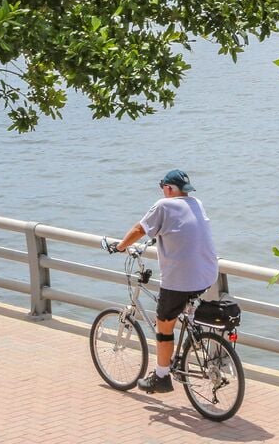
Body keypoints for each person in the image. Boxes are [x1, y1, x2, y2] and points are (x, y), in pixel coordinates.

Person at [102, 168, 219, 393]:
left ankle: (162, 376)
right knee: (181, 309)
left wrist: (120, 246)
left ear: (168, 188)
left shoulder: (163, 206)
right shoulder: (196, 203)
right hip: (207, 275)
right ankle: (187, 343)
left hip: (181, 279)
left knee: (164, 326)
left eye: (162, 187)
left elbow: (139, 230)